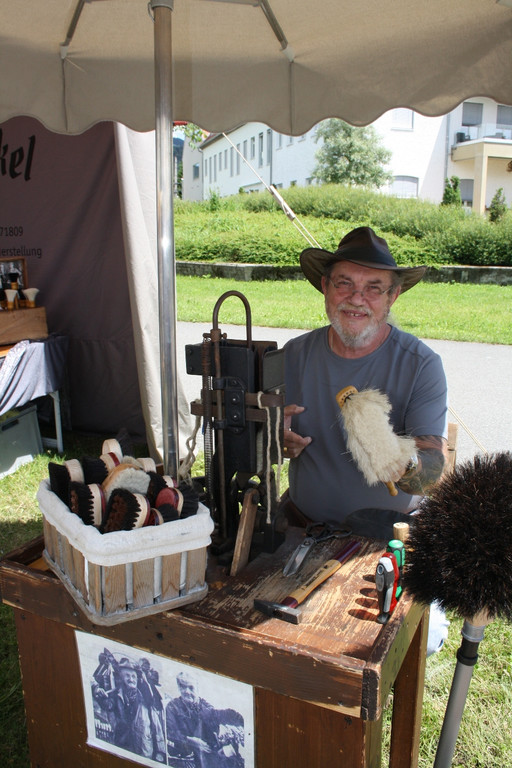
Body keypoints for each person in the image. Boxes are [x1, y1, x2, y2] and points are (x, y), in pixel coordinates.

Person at [282, 226, 449, 653]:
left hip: (388, 541)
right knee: (281, 627)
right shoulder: (293, 357)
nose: (357, 299)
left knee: (423, 641)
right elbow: (256, 438)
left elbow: (431, 474)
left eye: (374, 288)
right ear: (325, 286)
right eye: (345, 284)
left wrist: (401, 461)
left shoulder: (421, 365)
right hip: (305, 530)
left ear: (393, 297)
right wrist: (274, 440)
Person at [94, 656, 166, 762]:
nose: (131, 679)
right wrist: (100, 695)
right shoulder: (116, 695)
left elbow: (157, 726)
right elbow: (107, 705)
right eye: (127, 676)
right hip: (123, 746)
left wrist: (160, 752)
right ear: (122, 678)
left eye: (133, 676)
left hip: (144, 748)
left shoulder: (146, 700)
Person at [166, 671, 244, 768]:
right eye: (182, 686)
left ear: (198, 688)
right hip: (184, 758)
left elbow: (223, 722)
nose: (186, 691)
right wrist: (191, 741)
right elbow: (170, 733)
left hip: (207, 757)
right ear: (178, 687)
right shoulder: (172, 706)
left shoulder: (206, 707)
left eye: (191, 687)